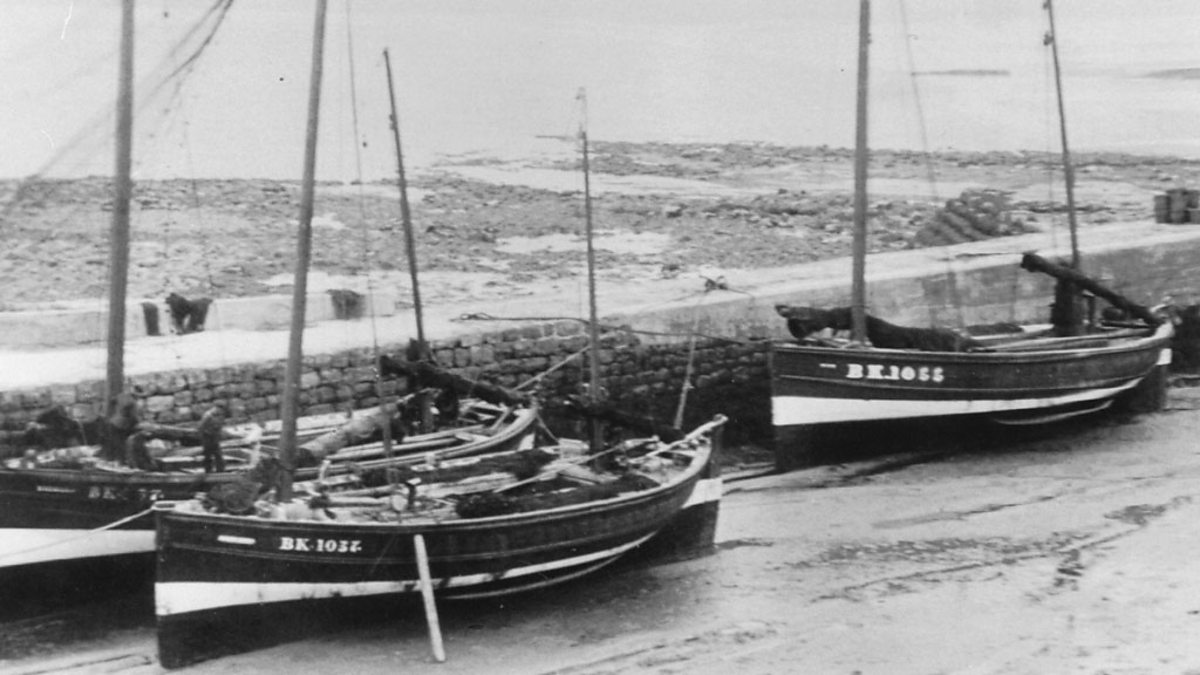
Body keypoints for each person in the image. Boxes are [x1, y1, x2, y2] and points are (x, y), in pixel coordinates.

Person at [198, 405, 226, 473]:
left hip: (215, 437)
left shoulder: (220, 416)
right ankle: (208, 470)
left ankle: (220, 470)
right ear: (216, 408)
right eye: (220, 410)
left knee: (218, 454)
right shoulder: (207, 415)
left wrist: (218, 434)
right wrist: (205, 435)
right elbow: (201, 427)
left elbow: (220, 426)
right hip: (207, 437)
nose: (221, 412)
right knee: (208, 455)